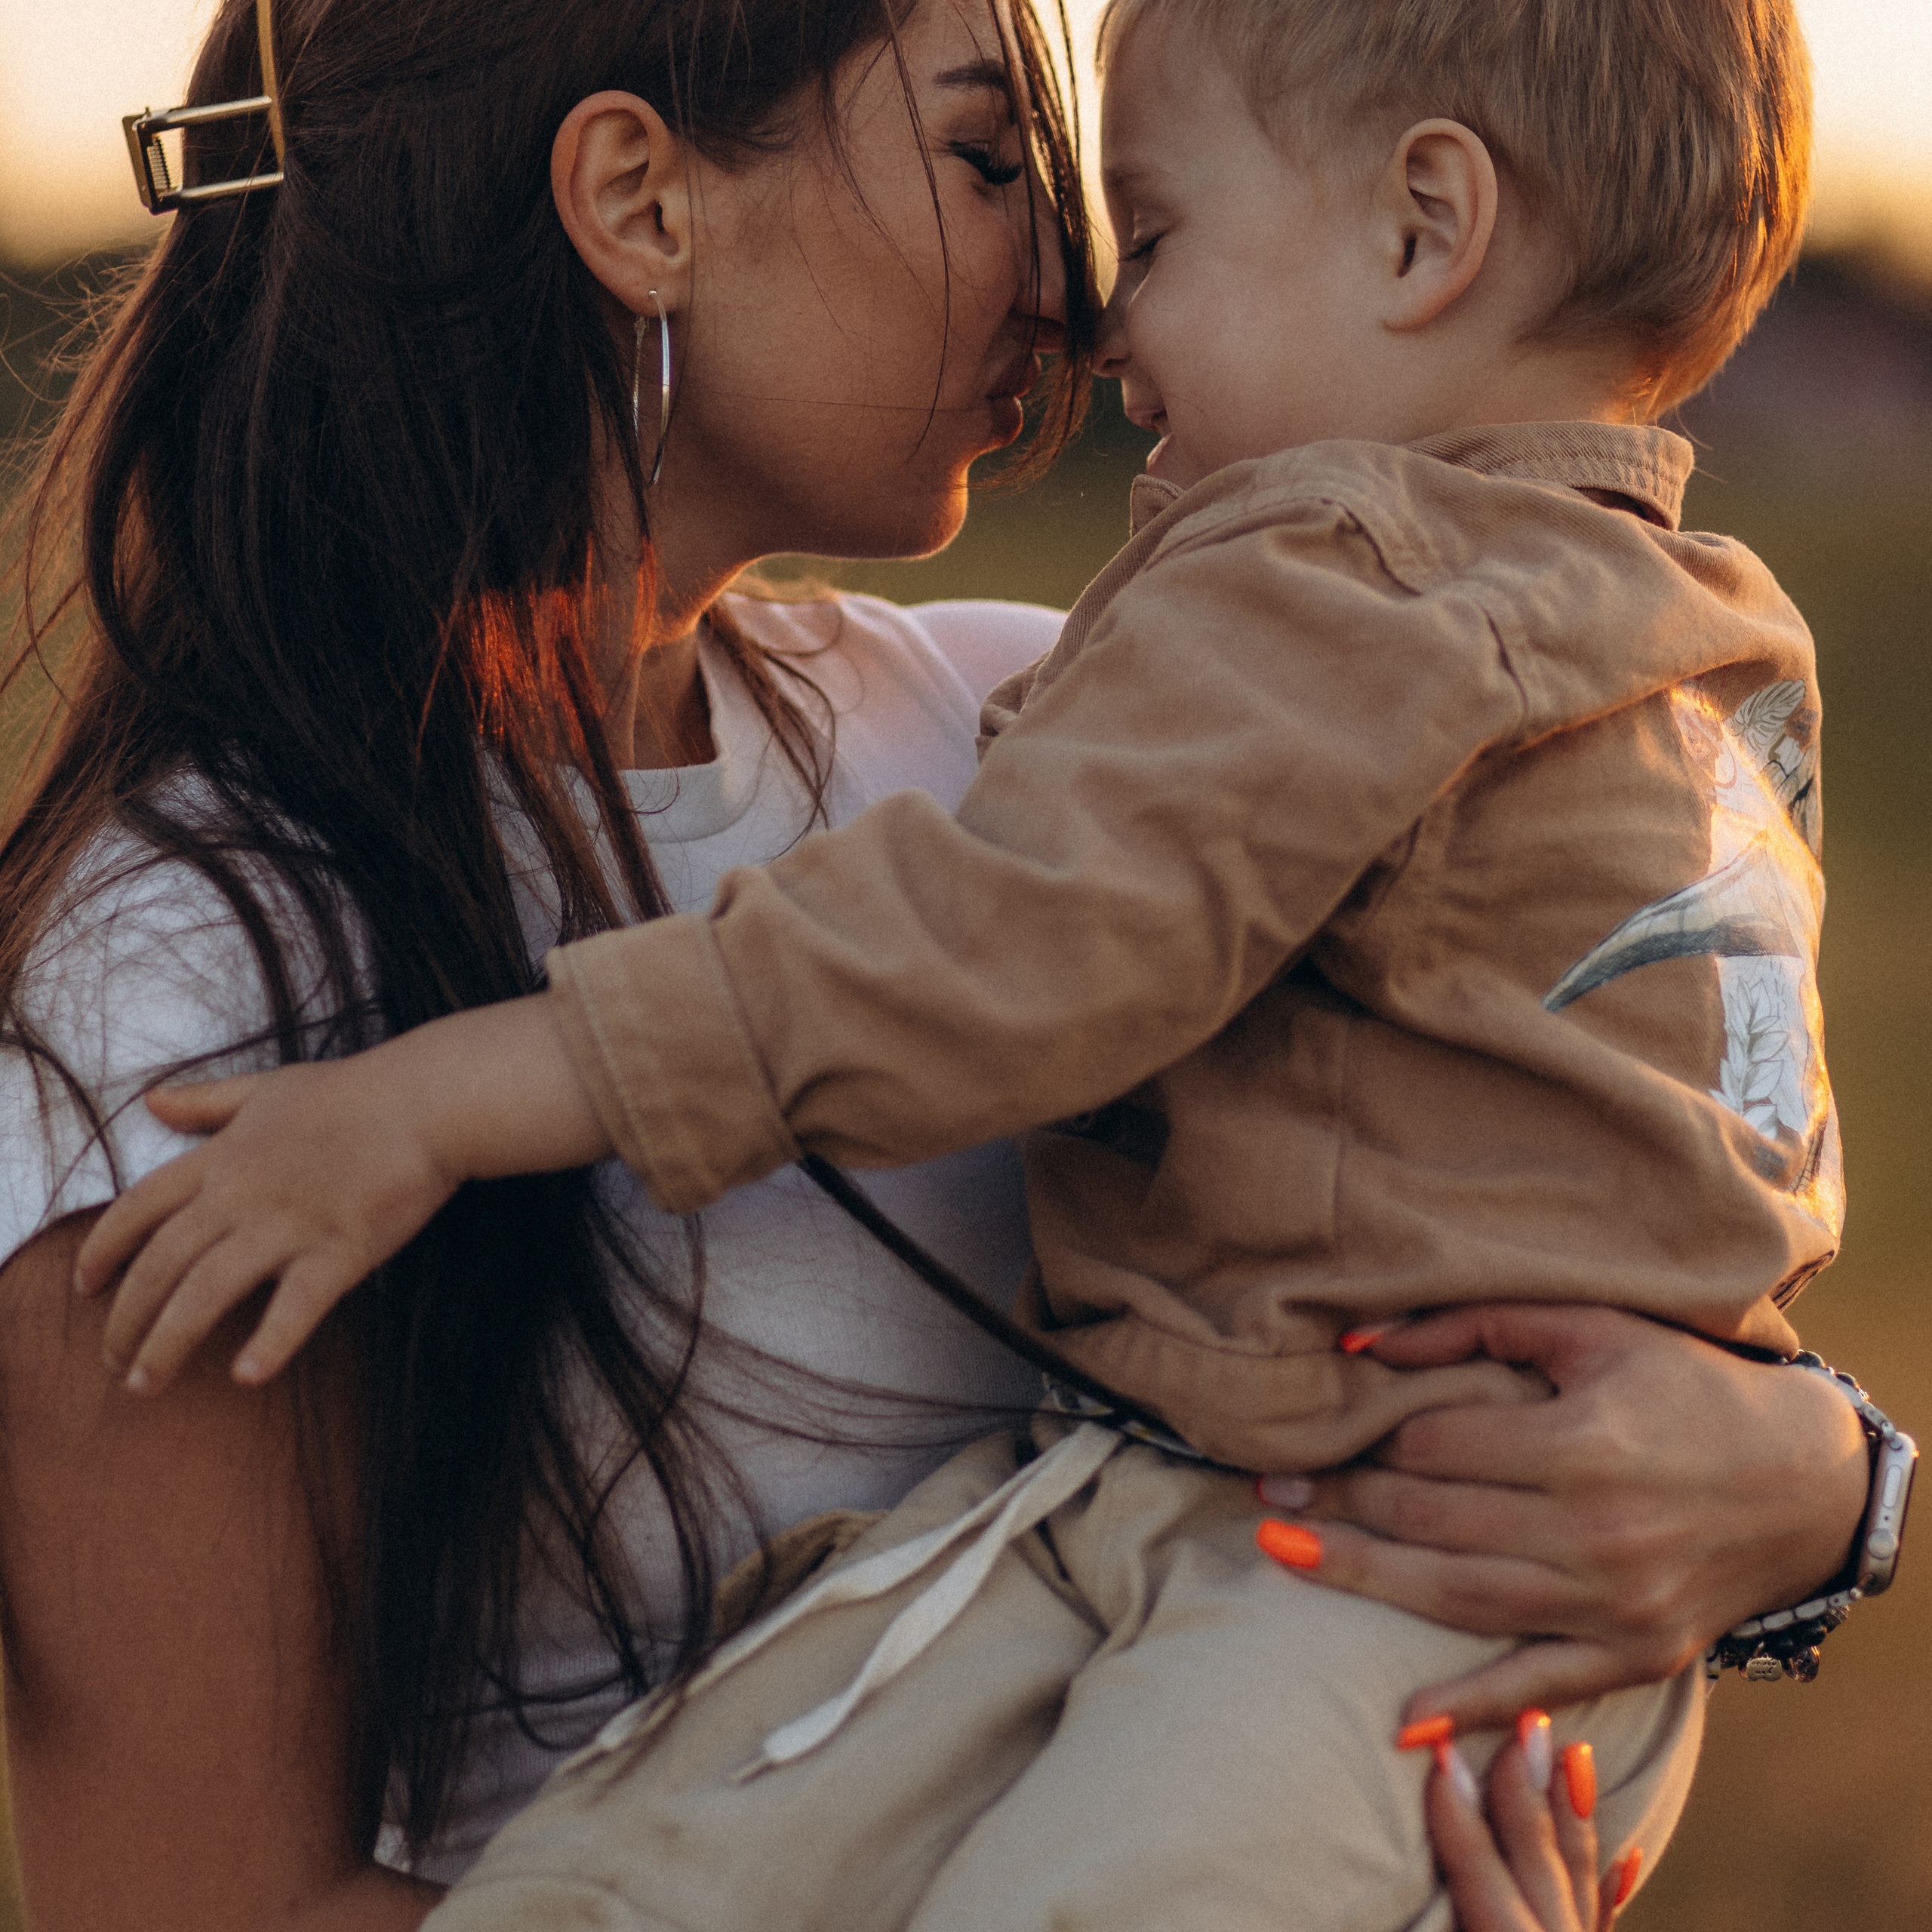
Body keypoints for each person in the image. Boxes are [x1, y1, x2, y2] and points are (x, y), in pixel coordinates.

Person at [1, 1, 1878, 1930]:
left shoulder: (1046, 716)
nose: (1075, 298)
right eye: (990, 159)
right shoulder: (191, 983)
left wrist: (1818, 1484)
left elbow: (1571, 1161)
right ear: (642, 202)